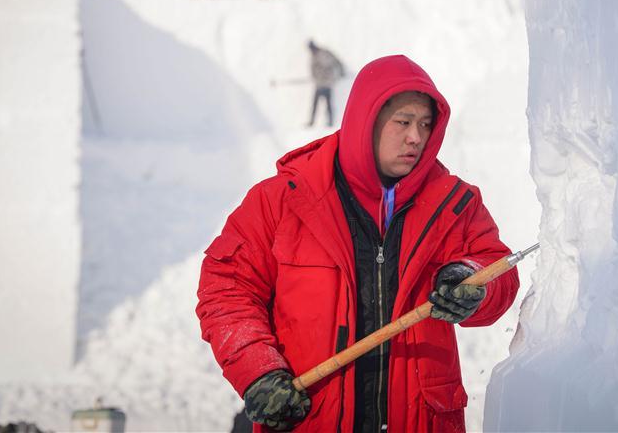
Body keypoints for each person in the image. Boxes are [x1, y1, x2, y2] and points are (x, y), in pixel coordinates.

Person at [197, 55, 519, 432]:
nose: (416, 137)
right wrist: (258, 371)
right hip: (311, 419)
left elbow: (497, 270)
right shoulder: (283, 200)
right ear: (366, 121)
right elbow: (226, 288)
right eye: (403, 122)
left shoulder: (453, 204)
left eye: (425, 124)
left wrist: (474, 281)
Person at [307, 41, 345, 128]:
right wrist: (316, 78)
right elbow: (314, 70)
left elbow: (334, 64)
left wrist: (340, 73)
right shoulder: (315, 56)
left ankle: (330, 122)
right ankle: (313, 122)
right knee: (316, 104)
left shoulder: (323, 54)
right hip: (320, 84)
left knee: (327, 104)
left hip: (326, 84)